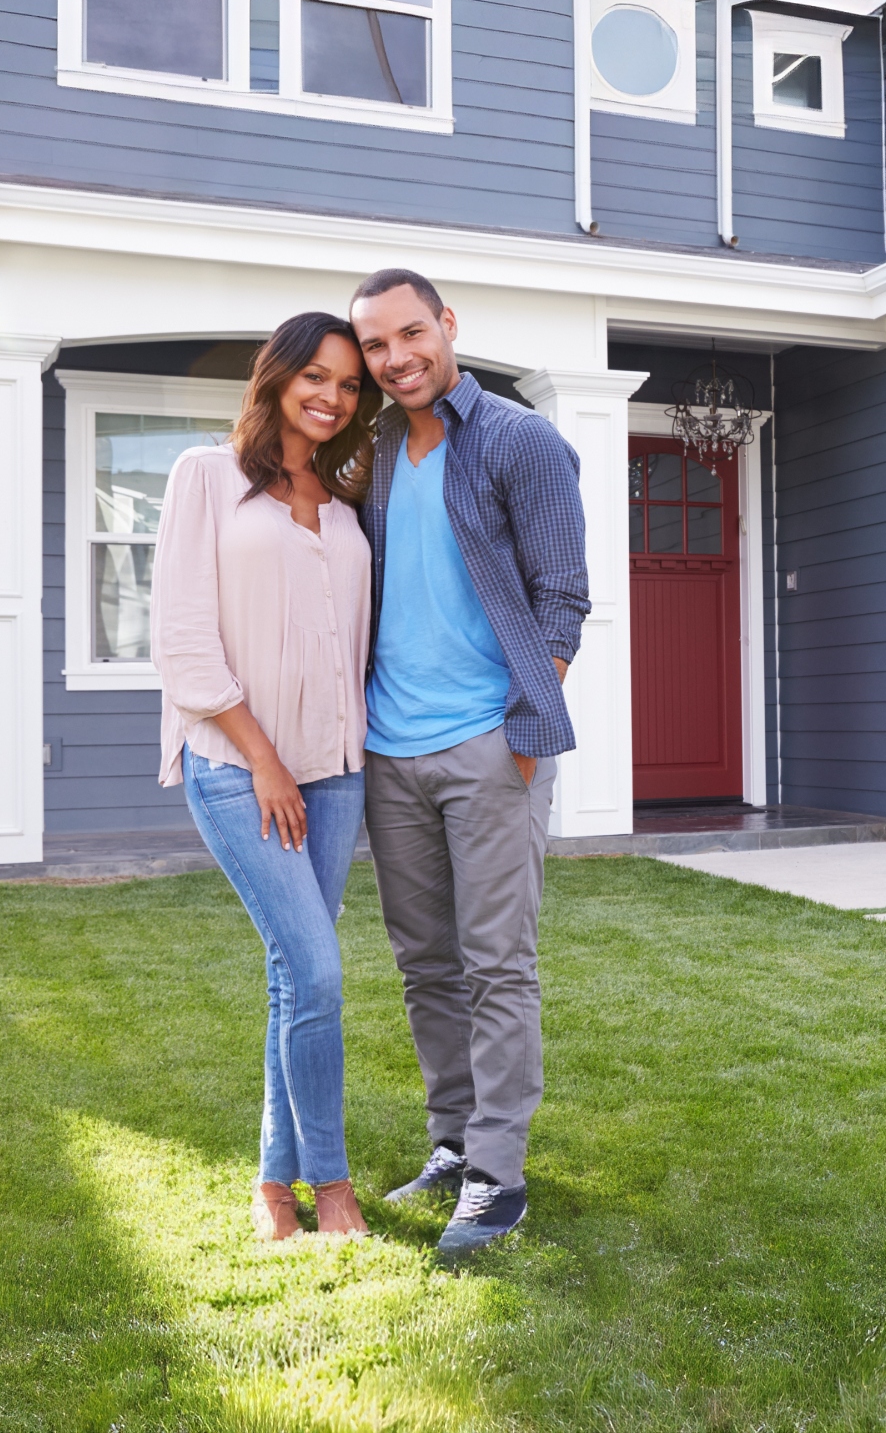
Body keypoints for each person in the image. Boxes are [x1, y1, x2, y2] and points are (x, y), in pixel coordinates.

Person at [348, 267, 588, 1258]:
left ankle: (498, 1173)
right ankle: (451, 1142)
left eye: (411, 333)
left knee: (497, 963)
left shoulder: (518, 440)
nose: (397, 358)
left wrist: (522, 725)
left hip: (488, 745)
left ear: (447, 325)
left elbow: (563, 594)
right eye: (375, 345)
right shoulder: (371, 454)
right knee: (424, 966)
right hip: (388, 750)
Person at [152, 312, 382, 1241]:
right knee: (317, 969)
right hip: (240, 770)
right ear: (277, 376)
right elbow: (182, 641)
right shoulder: (205, 477)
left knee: (298, 977)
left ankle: (270, 1187)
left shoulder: (346, 498)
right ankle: (331, 1186)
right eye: (315, 377)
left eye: (349, 384)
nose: (331, 396)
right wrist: (263, 758)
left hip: (335, 773)